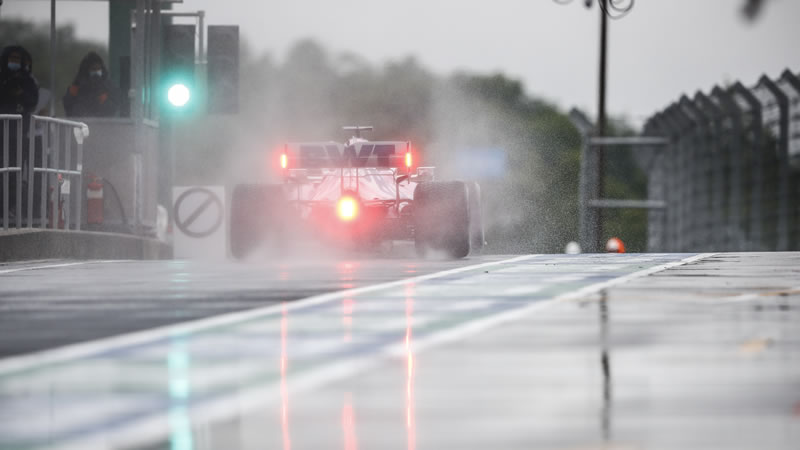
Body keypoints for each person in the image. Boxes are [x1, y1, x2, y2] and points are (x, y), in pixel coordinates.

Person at [0, 45, 39, 220]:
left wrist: (18, 94)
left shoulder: (27, 80)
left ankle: (11, 209)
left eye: (17, 60)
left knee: (15, 173)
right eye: (11, 59)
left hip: (19, 134)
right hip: (1, 135)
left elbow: (31, 101)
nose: (14, 63)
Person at [63, 51, 118, 117]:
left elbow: (113, 108)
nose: (96, 72)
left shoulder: (108, 85)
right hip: (81, 123)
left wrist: (102, 96)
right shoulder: (77, 85)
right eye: (93, 69)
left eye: (98, 69)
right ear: (87, 70)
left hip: (103, 124)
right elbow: (68, 105)